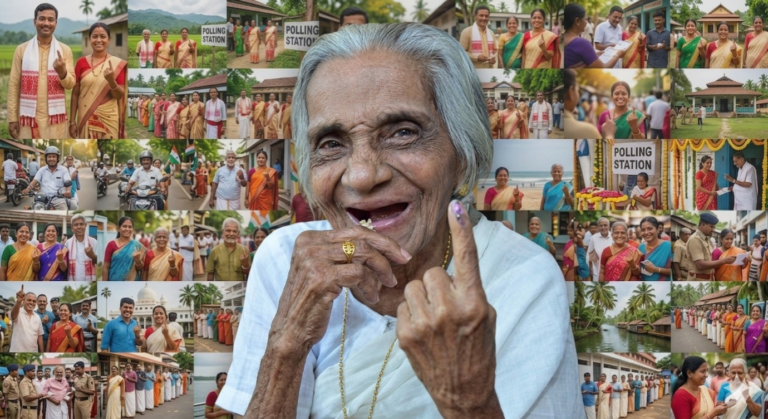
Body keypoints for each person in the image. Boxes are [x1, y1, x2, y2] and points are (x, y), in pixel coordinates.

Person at [218, 23, 581, 418]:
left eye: (402, 133)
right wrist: (286, 345)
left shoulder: (522, 277)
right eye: (331, 144)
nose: (361, 175)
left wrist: (469, 401)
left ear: (461, 152)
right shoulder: (286, 258)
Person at [8, 4, 75, 139]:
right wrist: (12, 117)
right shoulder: (22, 50)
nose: (46, 23)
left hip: (55, 119)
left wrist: (63, 73)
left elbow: (70, 84)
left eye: (50, 19)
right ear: (35, 22)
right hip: (28, 117)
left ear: (56, 23)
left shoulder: (64, 50)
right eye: (42, 19)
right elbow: (14, 84)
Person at [70, 23, 127, 138]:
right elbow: (75, 94)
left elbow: (119, 95)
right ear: (90, 39)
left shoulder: (117, 64)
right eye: (95, 36)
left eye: (103, 36)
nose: (98, 40)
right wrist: (72, 122)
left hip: (109, 118)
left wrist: (111, 81)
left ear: (109, 40)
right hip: (85, 116)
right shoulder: (81, 63)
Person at [564, 4, 625, 69]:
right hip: (606, 62)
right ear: (577, 21)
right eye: (585, 19)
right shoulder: (582, 43)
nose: (586, 23)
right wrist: (617, 55)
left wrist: (595, 54)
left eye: (620, 18)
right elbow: (603, 67)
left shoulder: (565, 39)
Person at [22, 146, 72, 210]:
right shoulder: (42, 170)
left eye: (53, 157)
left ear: (57, 158)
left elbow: (68, 181)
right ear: (46, 158)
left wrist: (68, 191)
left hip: (59, 200)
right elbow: (34, 182)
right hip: (43, 199)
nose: (51, 159)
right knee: (33, 213)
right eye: (49, 157)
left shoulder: (63, 170)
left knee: (64, 215)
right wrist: (26, 190)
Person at [103, 217, 144, 281]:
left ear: (132, 229)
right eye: (124, 226)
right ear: (118, 228)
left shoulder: (137, 246)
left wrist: (138, 260)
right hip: (113, 282)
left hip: (131, 284)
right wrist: (104, 285)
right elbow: (105, 267)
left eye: (130, 227)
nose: (127, 229)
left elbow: (140, 270)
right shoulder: (111, 244)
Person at [636, 216, 672, 281]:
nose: (646, 232)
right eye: (643, 230)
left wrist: (656, 269)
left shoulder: (668, 246)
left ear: (658, 229)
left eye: (650, 229)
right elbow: (638, 269)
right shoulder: (640, 247)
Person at [10, 287, 43, 352]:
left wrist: (42, 352)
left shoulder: (37, 317)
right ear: (24, 300)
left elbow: (40, 336)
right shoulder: (18, 311)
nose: (31, 302)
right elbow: (13, 316)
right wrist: (18, 301)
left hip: (33, 352)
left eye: (34, 301)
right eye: (29, 300)